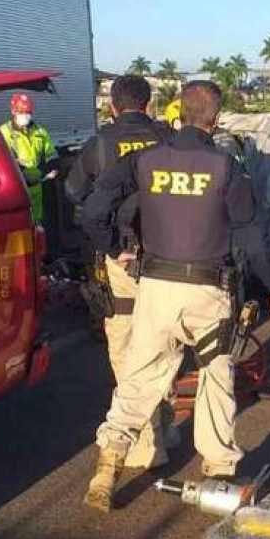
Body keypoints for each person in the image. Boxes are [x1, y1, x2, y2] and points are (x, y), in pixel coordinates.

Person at [80, 80, 270, 512]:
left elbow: (92, 210)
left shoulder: (143, 161)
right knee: (215, 376)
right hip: (207, 293)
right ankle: (218, 467)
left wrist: (114, 249)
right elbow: (253, 240)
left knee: (139, 380)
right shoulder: (227, 167)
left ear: (178, 112)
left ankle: (108, 467)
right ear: (214, 120)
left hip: (156, 289)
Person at [65, 75, 175, 470]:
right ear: (147, 104)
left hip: (124, 256)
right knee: (164, 341)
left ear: (113, 106)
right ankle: (164, 425)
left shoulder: (101, 144)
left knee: (128, 347)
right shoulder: (168, 139)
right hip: (169, 256)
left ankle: (148, 445)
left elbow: (75, 193)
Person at [0, 94, 58, 224]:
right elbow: (2, 161)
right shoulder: (3, 133)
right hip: (17, 188)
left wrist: (46, 170)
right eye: (21, 112)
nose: (25, 115)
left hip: (37, 187)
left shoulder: (40, 132)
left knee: (37, 224)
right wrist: (24, 174)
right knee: (19, 224)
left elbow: (51, 155)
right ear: (13, 111)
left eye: (28, 112)